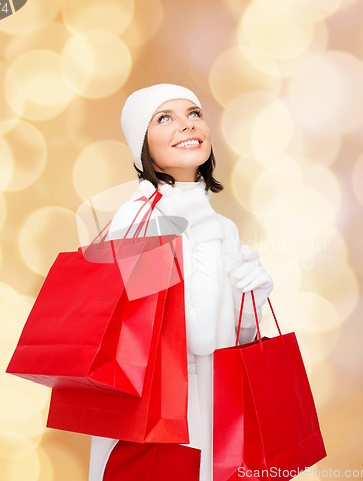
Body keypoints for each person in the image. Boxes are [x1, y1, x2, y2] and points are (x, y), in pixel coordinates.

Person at [88, 84, 273, 481]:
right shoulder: (137, 220)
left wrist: (252, 297)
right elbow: (197, 336)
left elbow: (230, 340)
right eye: (164, 118)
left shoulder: (220, 224)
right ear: (143, 143)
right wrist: (203, 232)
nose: (187, 126)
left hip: (213, 413)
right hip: (164, 424)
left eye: (193, 113)